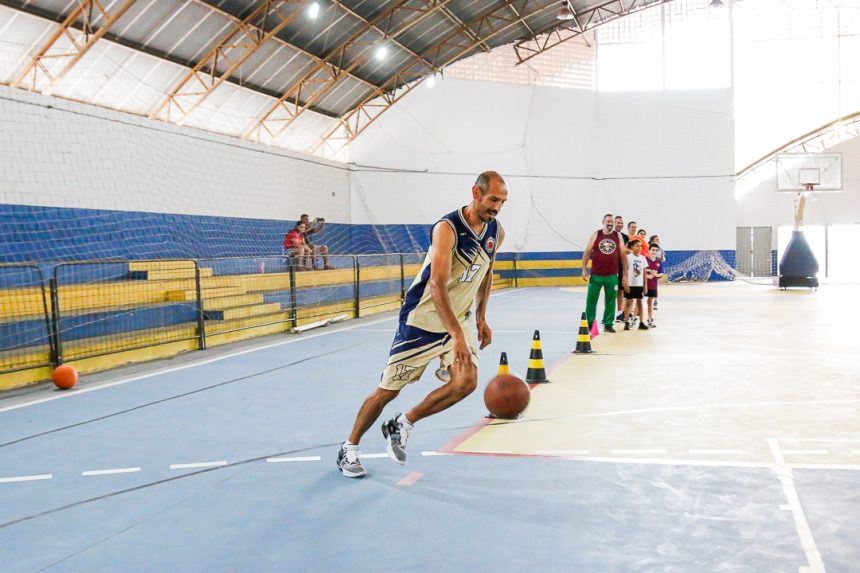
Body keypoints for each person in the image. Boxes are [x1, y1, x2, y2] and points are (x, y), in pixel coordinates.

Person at [337, 171, 507, 478]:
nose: (497, 207)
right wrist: (457, 336)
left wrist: (481, 317)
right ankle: (349, 447)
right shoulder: (448, 228)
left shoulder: (496, 231)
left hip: (460, 320)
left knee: (466, 382)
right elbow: (438, 286)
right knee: (387, 392)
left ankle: (403, 423)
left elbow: (487, 273)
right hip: (423, 320)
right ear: (476, 193)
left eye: (502, 201)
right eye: (493, 199)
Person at [583, 214, 628, 333]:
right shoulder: (596, 234)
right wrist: (584, 269)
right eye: (608, 221)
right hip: (596, 274)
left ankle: (608, 323)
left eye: (612, 221)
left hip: (612, 275)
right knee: (591, 300)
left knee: (611, 300)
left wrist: (625, 274)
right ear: (603, 221)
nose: (610, 223)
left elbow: (623, 255)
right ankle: (589, 323)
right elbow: (587, 252)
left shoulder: (618, 236)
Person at [622, 240, 649, 331]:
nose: (640, 247)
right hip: (630, 284)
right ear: (632, 247)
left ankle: (641, 322)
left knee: (639, 302)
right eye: (637, 246)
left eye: (641, 246)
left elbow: (644, 273)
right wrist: (625, 281)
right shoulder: (628, 257)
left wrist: (645, 286)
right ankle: (626, 322)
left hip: (639, 284)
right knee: (628, 302)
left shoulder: (643, 258)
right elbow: (625, 270)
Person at [614, 216, 629, 323]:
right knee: (610, 292)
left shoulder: (625, 237)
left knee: (621, 291)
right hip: (610, 267)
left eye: (621, 223)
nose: (620, 224)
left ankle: (620, 312)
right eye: (618, 222)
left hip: (621, 267)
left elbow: (627, 250)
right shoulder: (609, 236)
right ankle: (608, 314)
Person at [645, 243, 663, 327]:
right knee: (638, 302)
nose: (654, 252)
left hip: (653, 285)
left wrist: (655, 275)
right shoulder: (645, 259)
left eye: (656, 250)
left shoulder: (658, 262)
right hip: (643, 285)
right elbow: (641, 271)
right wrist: (648, 273)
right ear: (649, 250)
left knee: (650, 302)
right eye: (652, 250)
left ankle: (650, 319)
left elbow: (661, 274)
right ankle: (634, 318)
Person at [649, 234, 666, 309]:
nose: (658, 241)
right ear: (652, 241)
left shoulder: (660, 249)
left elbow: (663, 258)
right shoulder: (648, 247)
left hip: (656, 267)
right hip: (649, 268)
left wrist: (662, 258)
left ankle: (655, 301)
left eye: (658, 240)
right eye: (656, 239)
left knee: (655, 286)